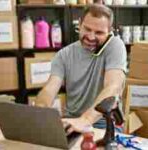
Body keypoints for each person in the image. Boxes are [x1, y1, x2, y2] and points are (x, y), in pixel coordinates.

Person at [35, 4, 127, 134]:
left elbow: (113, 87)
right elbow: (50, 88)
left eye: (99, 32)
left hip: (104, 124)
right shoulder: (64, 54)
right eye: (87, 29)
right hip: (71, 122)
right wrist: (40, 111)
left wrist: (85, 120)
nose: (90, 37)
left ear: (109, 31)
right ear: (80, 23)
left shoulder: (115, 46)